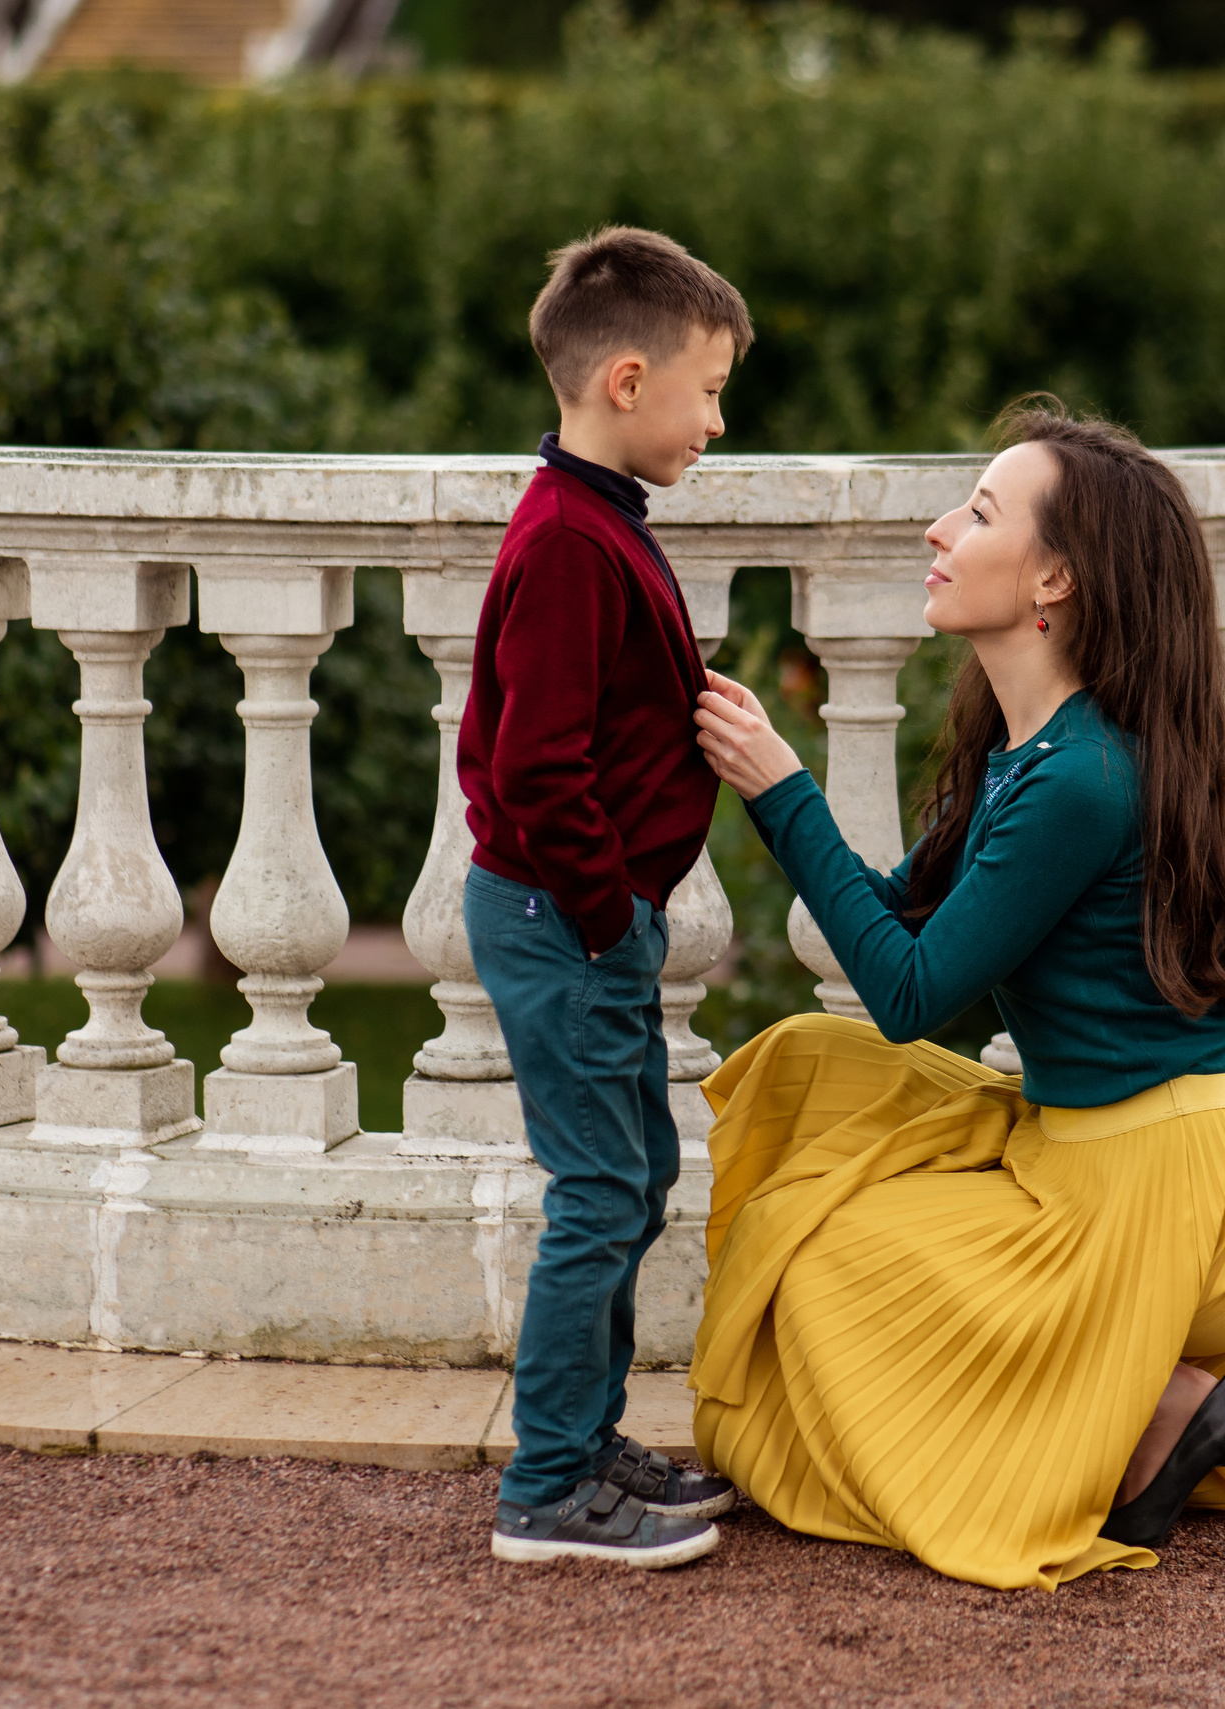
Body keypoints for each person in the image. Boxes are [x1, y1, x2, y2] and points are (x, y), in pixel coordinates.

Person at [685, 404, 1225, 1590]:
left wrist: (781, 790)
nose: (938, 529)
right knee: (813, 1063)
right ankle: (1148, 1407)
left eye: (977, 512)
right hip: (1141, 1159)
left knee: (823, 1258)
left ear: (1056, 579)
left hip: (1153, 1196)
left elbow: (913, 991)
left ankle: (1158, 1407)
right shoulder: (1038, 747)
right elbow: (911, 916)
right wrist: (767, 788)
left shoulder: (1079, 776)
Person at [462, 227, 753, 1568]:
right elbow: (530, 760)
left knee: (634, 1181)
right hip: (561, 920)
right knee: (598, 1191)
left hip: (577, 919)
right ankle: (547, 1486)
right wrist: (606, 913)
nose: (718, 416)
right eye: (708, 388)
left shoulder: (596, 519)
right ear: (627, 380)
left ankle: (584, 1440)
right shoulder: (574, 540)